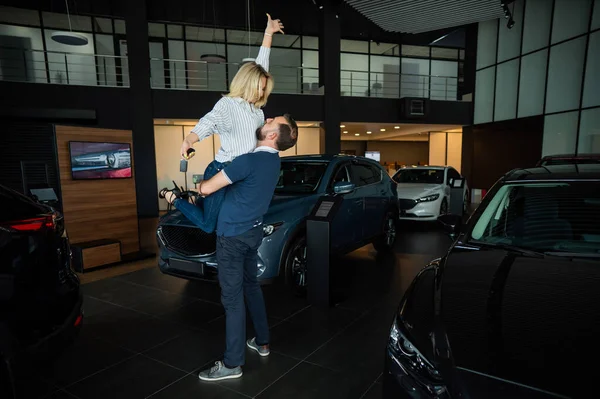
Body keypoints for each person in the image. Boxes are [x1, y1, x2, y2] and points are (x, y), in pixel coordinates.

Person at [165, 115, 298, 381]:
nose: (268, 118)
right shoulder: (273, 162)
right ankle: (262, 342)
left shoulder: (248, 162)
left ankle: (232, 364)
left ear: (273, 135)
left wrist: (198, 186)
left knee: (233, 300)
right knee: (251, 287)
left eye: (273, 121)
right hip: (252, 234)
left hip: (232, 238)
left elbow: (205, 189)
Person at [173, 13, 285, 234]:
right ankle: (174, 197)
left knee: (232, 217)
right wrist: (188, 139)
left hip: (242, 172)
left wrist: (268, 33)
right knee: (208, 225)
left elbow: (262, 64)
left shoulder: (255, 108)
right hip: (222, 170)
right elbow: (209, 122)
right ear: (248, 83)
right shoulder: (228, 105)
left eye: (264, 88)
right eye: (261, 87)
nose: (263, 92)